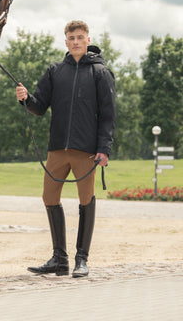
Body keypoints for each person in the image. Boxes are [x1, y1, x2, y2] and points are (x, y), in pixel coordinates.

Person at [15, 20, 115, 278]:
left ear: (88, 39)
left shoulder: (101, 73)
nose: (76, 42)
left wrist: (104, 148)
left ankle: (82, 259)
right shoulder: (55, 71)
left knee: (86, 201)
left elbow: (108, 115)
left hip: (87, 151)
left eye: (80, 37)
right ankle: (59, 258)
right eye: (71, 38)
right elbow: (39, 107)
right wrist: (26, 99)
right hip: (57, 148)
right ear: (66, 41)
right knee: (49, 198)